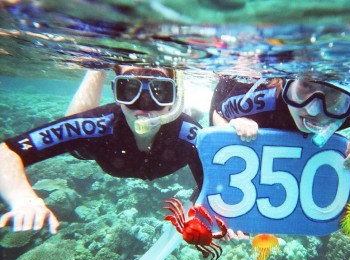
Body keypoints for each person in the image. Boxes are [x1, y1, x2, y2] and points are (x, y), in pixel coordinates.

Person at [0, 65, 203, 234]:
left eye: (160, 92)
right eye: (129, 89)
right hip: (91, 148)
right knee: (76, 136)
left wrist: (206, 210)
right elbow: (7, 151)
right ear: (116, 93)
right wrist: (22, 199)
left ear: (175, 98)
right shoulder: (96, 125)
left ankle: (189, 106)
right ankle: (95, 68)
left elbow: (211, 181)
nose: (144, 104)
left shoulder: (189, 133)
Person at [210, 74, 350, 170]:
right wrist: (231, 126)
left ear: (349, 98)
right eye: (306, 86)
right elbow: (218, 112)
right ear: (286, 84)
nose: (313, 110)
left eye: (332, 94)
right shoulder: (259, 101)